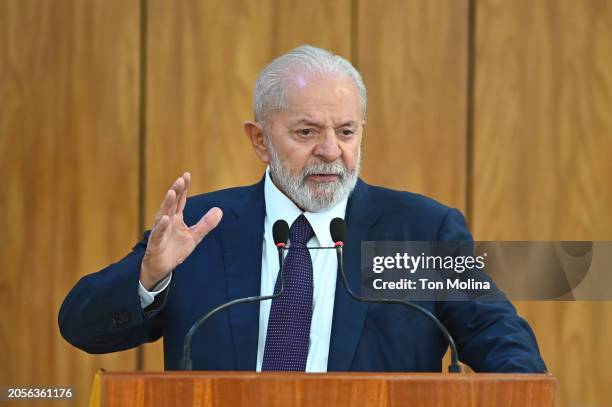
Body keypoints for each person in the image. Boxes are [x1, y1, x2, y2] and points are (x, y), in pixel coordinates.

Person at [59, 45, 546, 373]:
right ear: (260, 140)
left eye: (347, 131)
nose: (331, 151)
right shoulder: (199, 232)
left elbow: (506, 348)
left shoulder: (418, 232)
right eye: (307, 132)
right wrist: (149, 277)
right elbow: (81, 326)